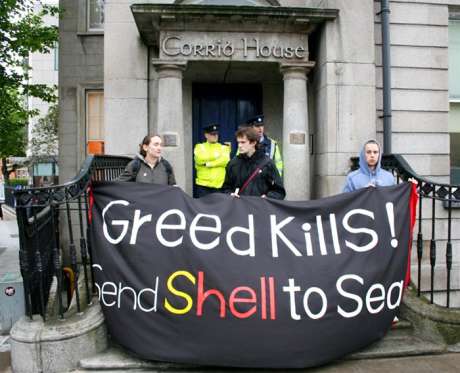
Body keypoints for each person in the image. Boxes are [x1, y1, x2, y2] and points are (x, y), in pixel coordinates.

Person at [222, 126, 285, 200]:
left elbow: (279, 191)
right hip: (239, 208)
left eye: (243, 142)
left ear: (253, 143)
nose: (239, 146)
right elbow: (225, 189)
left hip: (260, 208)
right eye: (238, 142)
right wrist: (230, 194)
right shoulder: (233, 163)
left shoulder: (267, 164)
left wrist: (268, 197)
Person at [194, 124, 230, 197]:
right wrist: (217, 156)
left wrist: (208, 164)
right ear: (206, 135)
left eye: (216, 134)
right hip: (203, 186)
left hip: (219, 186)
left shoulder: (224, 147)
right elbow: (200, 159)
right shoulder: (200, 147)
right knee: (202, 208)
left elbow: (225, 161)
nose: (215, 136)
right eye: (212, 134)